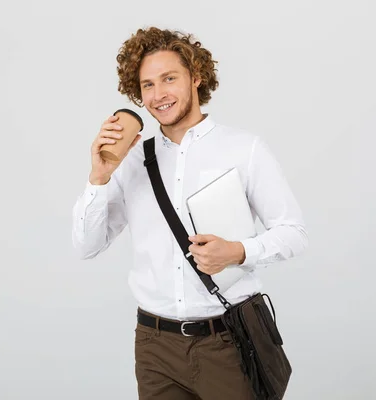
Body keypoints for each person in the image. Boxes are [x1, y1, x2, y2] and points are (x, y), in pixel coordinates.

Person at [72, 26, 308, 400]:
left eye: (169, 78)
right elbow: (86, 246)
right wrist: (98, 178)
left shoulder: (244, 148)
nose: (158, 94)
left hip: (228, 342)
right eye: (147, 85)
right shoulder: (131, 161)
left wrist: (238, 251)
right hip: (154, 346)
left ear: (197, 77)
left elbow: (294, 232)